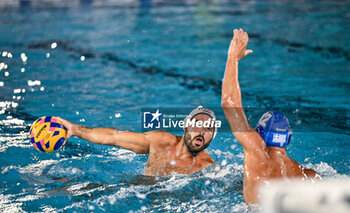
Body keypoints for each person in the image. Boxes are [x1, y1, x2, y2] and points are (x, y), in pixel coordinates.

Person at [221, 29, 320, 204]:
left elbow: (229, 103)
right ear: (288, 138)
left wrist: (233, 59)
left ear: (259, 135)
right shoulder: (309, 175)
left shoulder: (257, 152)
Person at [56, 106, 216, 176]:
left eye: (209, 129)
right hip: (136, 191)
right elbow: (114, 136)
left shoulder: (206, 167)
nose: (202, 131)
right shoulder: (160, 141)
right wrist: (75, 130)